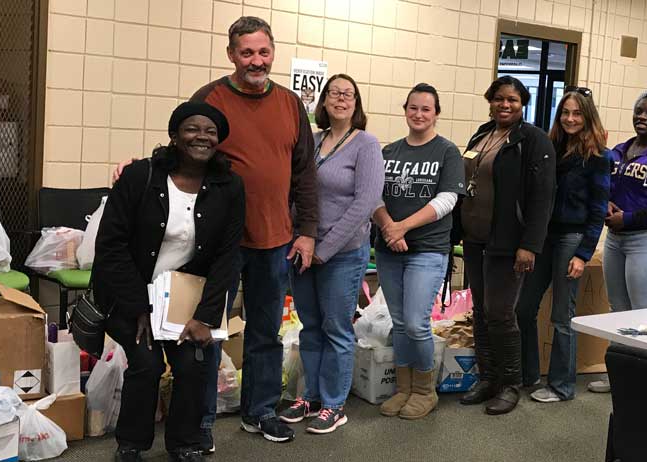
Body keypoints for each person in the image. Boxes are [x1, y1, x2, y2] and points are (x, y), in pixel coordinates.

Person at [114, 16, 318, 446]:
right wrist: (137, 168)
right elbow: (182, 145)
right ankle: (198, 424)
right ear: (231, 55)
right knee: (203, 333)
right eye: (247, 52)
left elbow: (305, 173)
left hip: (274, 237)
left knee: (266, 333)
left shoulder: (290, 104)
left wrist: (307, 230)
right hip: (211, 244)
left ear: (273, 53)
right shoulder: (210, 97)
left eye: (263, 52)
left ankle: (259, 411)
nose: (256, 60)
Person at [93, 102, 244, 462]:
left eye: (210, 132)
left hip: (183, 296)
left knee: (193, 363)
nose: (202, 137)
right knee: (146, 363)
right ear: (174, 136)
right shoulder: (140, 177)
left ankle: (185, 442)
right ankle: (130, 445)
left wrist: (206, 316)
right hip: (129, 293)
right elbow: (110, 246)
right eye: (192, 129)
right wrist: (138, 307)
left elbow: (227, 255)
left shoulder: (229, 186)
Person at [278, 74, 384, 434]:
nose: (341, 99)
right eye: (335, 93)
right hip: (302, 248)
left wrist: (323, 249)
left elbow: (365, 204)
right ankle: (311, 396)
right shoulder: (313, 139)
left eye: (349, 94)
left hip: (342, 253)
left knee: (336, 328)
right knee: (310, 327)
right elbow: (296, 190)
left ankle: (335, 404)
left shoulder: (366, 144)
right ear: (323, 101)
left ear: (356, 104)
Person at [458, 76, 556, 415]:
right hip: (475, 239)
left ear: (522, 103)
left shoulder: (533, 140)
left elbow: (543, 199)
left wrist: (529, 245)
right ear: (490, 101)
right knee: (482, 313)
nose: (505, 105)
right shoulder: (481, 135)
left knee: (501, 313)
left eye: (512, 99)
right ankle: (488, 379)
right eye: (499, 98)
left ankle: (510, 384)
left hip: (509, 242)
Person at [372, 83, 465, 420]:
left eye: (426, 109)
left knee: (415, 322)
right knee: (398, 323)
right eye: (413, 108)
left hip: (427, 250)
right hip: (388, 248)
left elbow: (446, 201)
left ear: (436, 113)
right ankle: (404, 388)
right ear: (405, 110)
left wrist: (403, 227)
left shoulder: (447, 152)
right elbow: (373, 196)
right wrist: (388, 227)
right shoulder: (389, 151)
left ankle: (426, 391)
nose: (419, 114)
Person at [514, 87, 610, 403]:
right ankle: (528, 374)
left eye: (577, 113)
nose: (570, 118)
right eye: (565, 112)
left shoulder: (597, 156)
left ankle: (562, 385)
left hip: (572, 238)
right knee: (524, 307)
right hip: (544, 236)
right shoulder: (550, 147)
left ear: (587, 117)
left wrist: (583, 254)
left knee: (561, 316)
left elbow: (598, 211)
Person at [589, 89, 647, 393]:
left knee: (643, 314)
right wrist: (605, 205)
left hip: (645, 241)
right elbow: (603, 188)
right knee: (619, 311)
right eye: (639, 110)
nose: (642, 116)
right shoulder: (616, 151)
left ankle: (646, 383)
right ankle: (619, 378)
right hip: (615, 241)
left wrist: (627, 218)